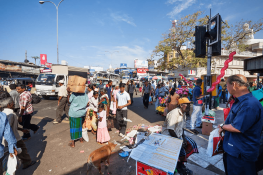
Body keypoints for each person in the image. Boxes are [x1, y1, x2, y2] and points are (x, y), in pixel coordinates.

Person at [219, 74, 263, 175]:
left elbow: (237, 127)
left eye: (227, 85)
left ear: (234, 84)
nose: (227, 88)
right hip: (234, 150)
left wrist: (222, 126)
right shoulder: (240, 101)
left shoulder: (249, 104)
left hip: (241, 153)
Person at [162, 97, 197, 175]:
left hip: (177, 135)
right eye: (187, 104)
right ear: (181, 105)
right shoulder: (174, 114)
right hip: (169, 137)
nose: (189, 106)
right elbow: (171, 130)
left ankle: (179, 165)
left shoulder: (183, 113)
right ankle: (176, 166)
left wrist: (183, 138)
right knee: (177, 153)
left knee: (188, 146)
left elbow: (182, 128)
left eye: (189, 104)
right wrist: (178, 141)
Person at [1, 94, 36, 169]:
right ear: (9, 104)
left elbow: (11, 126)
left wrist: (21, 129)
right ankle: (27, 162)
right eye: (12, 102)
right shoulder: (11, 114)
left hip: (6, 138)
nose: (14, 103)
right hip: (13, 138)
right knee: (22, 149)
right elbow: (8, 128)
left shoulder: (3, 113)